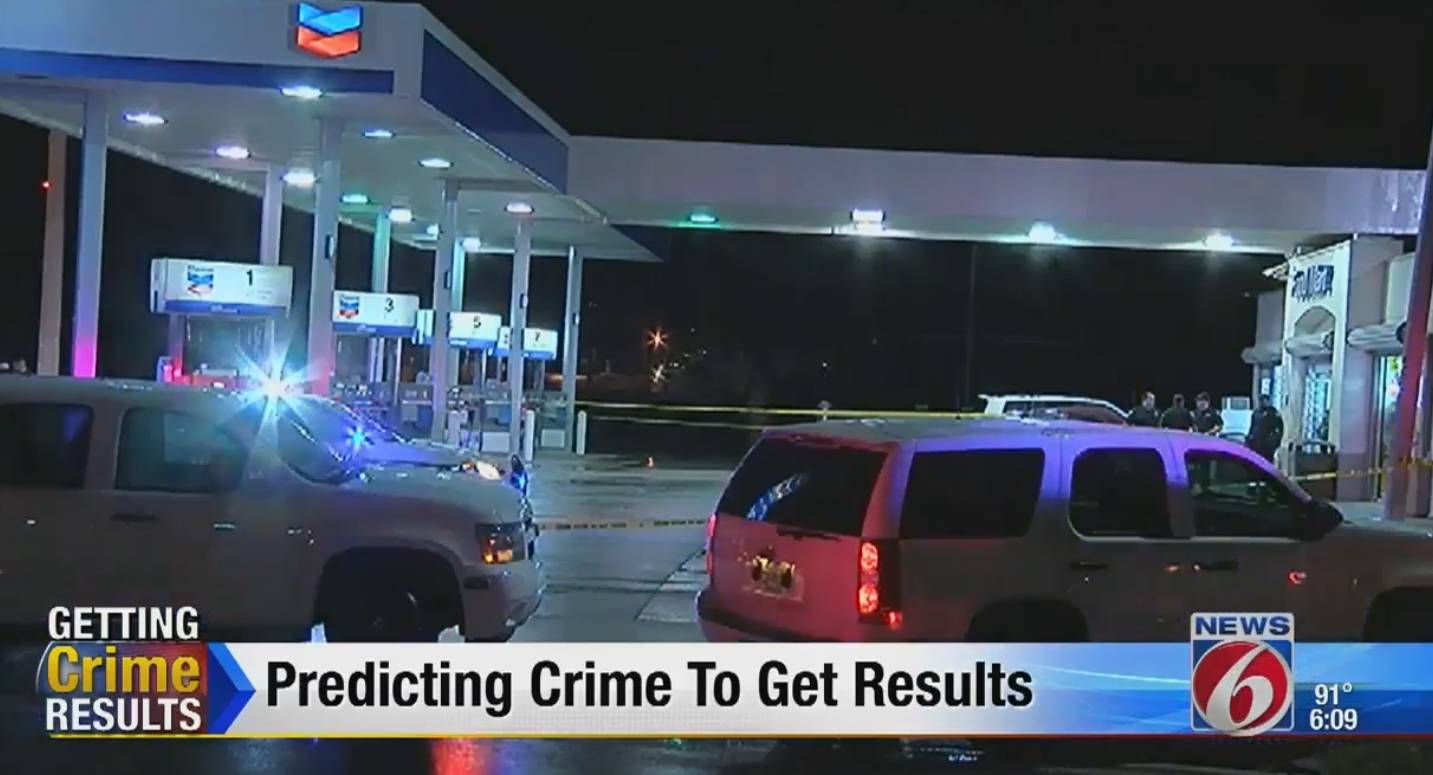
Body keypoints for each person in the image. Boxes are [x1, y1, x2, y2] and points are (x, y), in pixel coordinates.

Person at [1247, 394, 1284, 462]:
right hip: (1256, 444)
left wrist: (1276, 441)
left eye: (1264, 401)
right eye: (1261, 401)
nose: (1262, 403)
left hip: (1268, 445)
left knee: (1267, 462)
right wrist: (1249, 438)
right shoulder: (1256, 413)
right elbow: (1252, 427)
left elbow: (1280, 428)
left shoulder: (1273, 412)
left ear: (1268, 401)